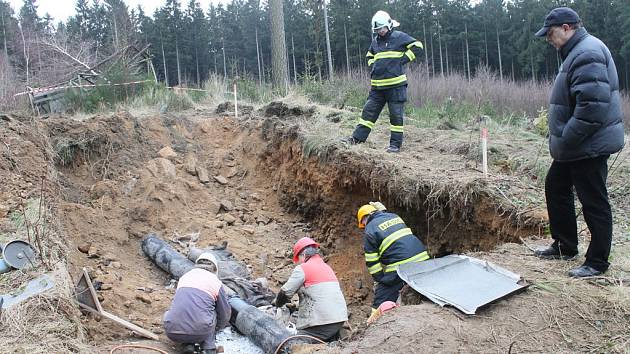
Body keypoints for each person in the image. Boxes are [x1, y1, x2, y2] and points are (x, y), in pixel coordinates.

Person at [533, 7, 625, 278]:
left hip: (588, 144)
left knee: (593, 200)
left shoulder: (587, 52)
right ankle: (565, 245)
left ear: (567, 27)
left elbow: (592, 108)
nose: (549, 39)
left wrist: (567, 138)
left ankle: (597, 262)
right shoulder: (577, 50)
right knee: (556, 186)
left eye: (550, 34)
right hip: (577, 144)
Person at [341, 10, 423, 153]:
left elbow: (418, 46)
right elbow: (369, 55)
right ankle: (356, 139)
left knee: (396, 117)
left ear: (389, 25)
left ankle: (395, 146)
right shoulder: (375, 42)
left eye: (382, 28)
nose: (380, 32)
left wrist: (402, 60)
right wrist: (373, 66)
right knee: (367, 114)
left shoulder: (399, 37)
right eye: (377, 30)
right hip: (377, 87)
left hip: (396, 87)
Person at [357, 203, 429, 317]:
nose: (364, 227)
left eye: (363, 224)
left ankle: (373, 323)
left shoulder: (370, 229)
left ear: (364, 218)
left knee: (383, 294)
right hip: (423, 258)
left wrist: (381, 279)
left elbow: (372, 261)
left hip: (402, 264)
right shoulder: (394, 216)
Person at [273, 237, 348, 342]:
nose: (298, 262)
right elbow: (320, 296)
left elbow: (286, 292)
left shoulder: (303, 268)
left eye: (297, 259)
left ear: (303, 255)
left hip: (322, 323)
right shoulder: (327, 267)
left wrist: (277, 304)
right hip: (339, 320)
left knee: (292, 343)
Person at [163, 253, 231, 354]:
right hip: (200, 331)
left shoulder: (184, 277)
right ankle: (209, 348)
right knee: (211, 313)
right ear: (215, 269)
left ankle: (187, 345)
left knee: (186, 311)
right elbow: (225, 313)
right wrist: (217, 328)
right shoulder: (215, 282)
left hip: (172, 331)